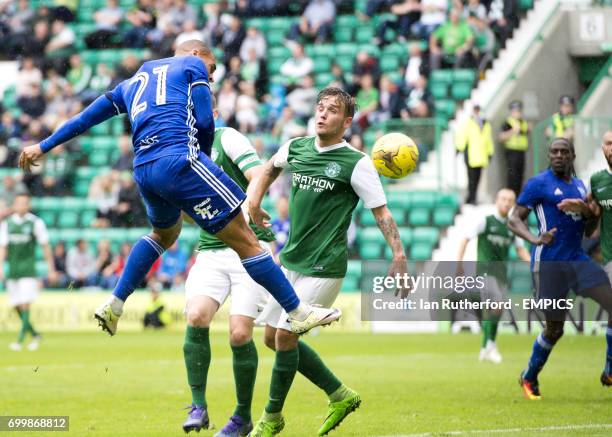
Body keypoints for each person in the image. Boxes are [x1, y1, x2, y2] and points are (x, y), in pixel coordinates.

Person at [19, 40, 339, 345]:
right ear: (198, 53)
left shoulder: (133, 81)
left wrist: (44, 145)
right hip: (180, 159)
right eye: (211, 69)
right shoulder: (191, 64)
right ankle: (297, 312)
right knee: (247, 238)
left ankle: (116, 303)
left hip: (143, 168)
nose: (211, 77)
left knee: (164, 233)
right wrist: (203, 162)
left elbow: (86, 117)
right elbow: (203, 121)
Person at [247, 87, 410, 436]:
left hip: (325, 266)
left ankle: (271, 418)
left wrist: (398, 254)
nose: (322, 114)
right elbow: (267, 169)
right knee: (271, 338)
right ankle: (340, 394)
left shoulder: (357, 163)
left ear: (347, 121)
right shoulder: (297, 147)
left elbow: (381, 213)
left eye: (332, 111)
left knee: (287, 339)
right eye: (320, 108)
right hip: (291, 261)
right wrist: (255, 203)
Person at [182, 102, 276, 435]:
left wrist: (249, 207)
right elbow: (185, 211)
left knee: (239, 334)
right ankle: (198, 406)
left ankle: (241, 416)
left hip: (248, 248)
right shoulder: (183, 153)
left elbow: (259, 174)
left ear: (215, 115)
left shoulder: (228, 138)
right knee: (196, 316)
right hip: (211, 251)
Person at [507, 138, 612, 399]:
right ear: (549, 154)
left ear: (572, 155)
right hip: (549, 263)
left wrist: (588, 212)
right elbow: (513, 219)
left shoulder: (579, 186)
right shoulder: (538, 184)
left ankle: (610, 369)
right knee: (555, 329)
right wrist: (534, 238)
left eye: (564, 152)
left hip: (577, 259)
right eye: (554, 151)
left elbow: (588, 230)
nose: (558, 155)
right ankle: (529, 376)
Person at [456, 188, 530, 363]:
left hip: (501, 274)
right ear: (497, 200)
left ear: (513, 204)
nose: (506, 202)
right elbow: (465, 238)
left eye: (510, 200)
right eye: (503, 199)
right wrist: (458, 264)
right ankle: (490, 346)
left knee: (495, 310)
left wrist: (534, 265)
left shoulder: (512, 226)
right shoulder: (485, 221)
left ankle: (486, 347)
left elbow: (520, 250)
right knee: (496, 307)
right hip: (484, 271)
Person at [0, 193, 57, 351]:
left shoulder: (35, 223)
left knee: (25, 304)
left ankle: (19, 341)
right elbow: (3, 247)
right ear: (15, 205)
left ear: (28, 205)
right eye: (18, 203)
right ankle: (35, 335)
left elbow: (45, 246)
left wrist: (50, 268)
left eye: (24, 203)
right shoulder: (7, 224)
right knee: (17, 305)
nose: (21, 206)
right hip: (13, 269)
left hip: (28, 270)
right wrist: (1, 267)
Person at [586, 129, 612, 387]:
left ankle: (609, 367)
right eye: (608, 143)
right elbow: (592, 220)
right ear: (603, 149)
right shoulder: (597, 181)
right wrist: (585, 210)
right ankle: (610, 366)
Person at [455, 104, 493, 205]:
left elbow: (488, 139)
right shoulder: (468, 123)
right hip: (471, 155)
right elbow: (463, 137)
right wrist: (459, 148)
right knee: (471, 178)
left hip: (481, 156)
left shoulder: (486, 124)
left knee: (477, 178)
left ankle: (472, 197)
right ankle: (472, 198)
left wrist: (490, 152)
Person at [499, 100, 530, 195]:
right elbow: (501, 137)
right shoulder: (508, 122)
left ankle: (517, 196)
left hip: (521, 152)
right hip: (511, 152)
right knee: (512, 176)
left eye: (519, 111)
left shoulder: (523, 122)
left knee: (520, 176)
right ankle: (510, 196)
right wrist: (513, 131)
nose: (517, 113)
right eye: (515, 111)